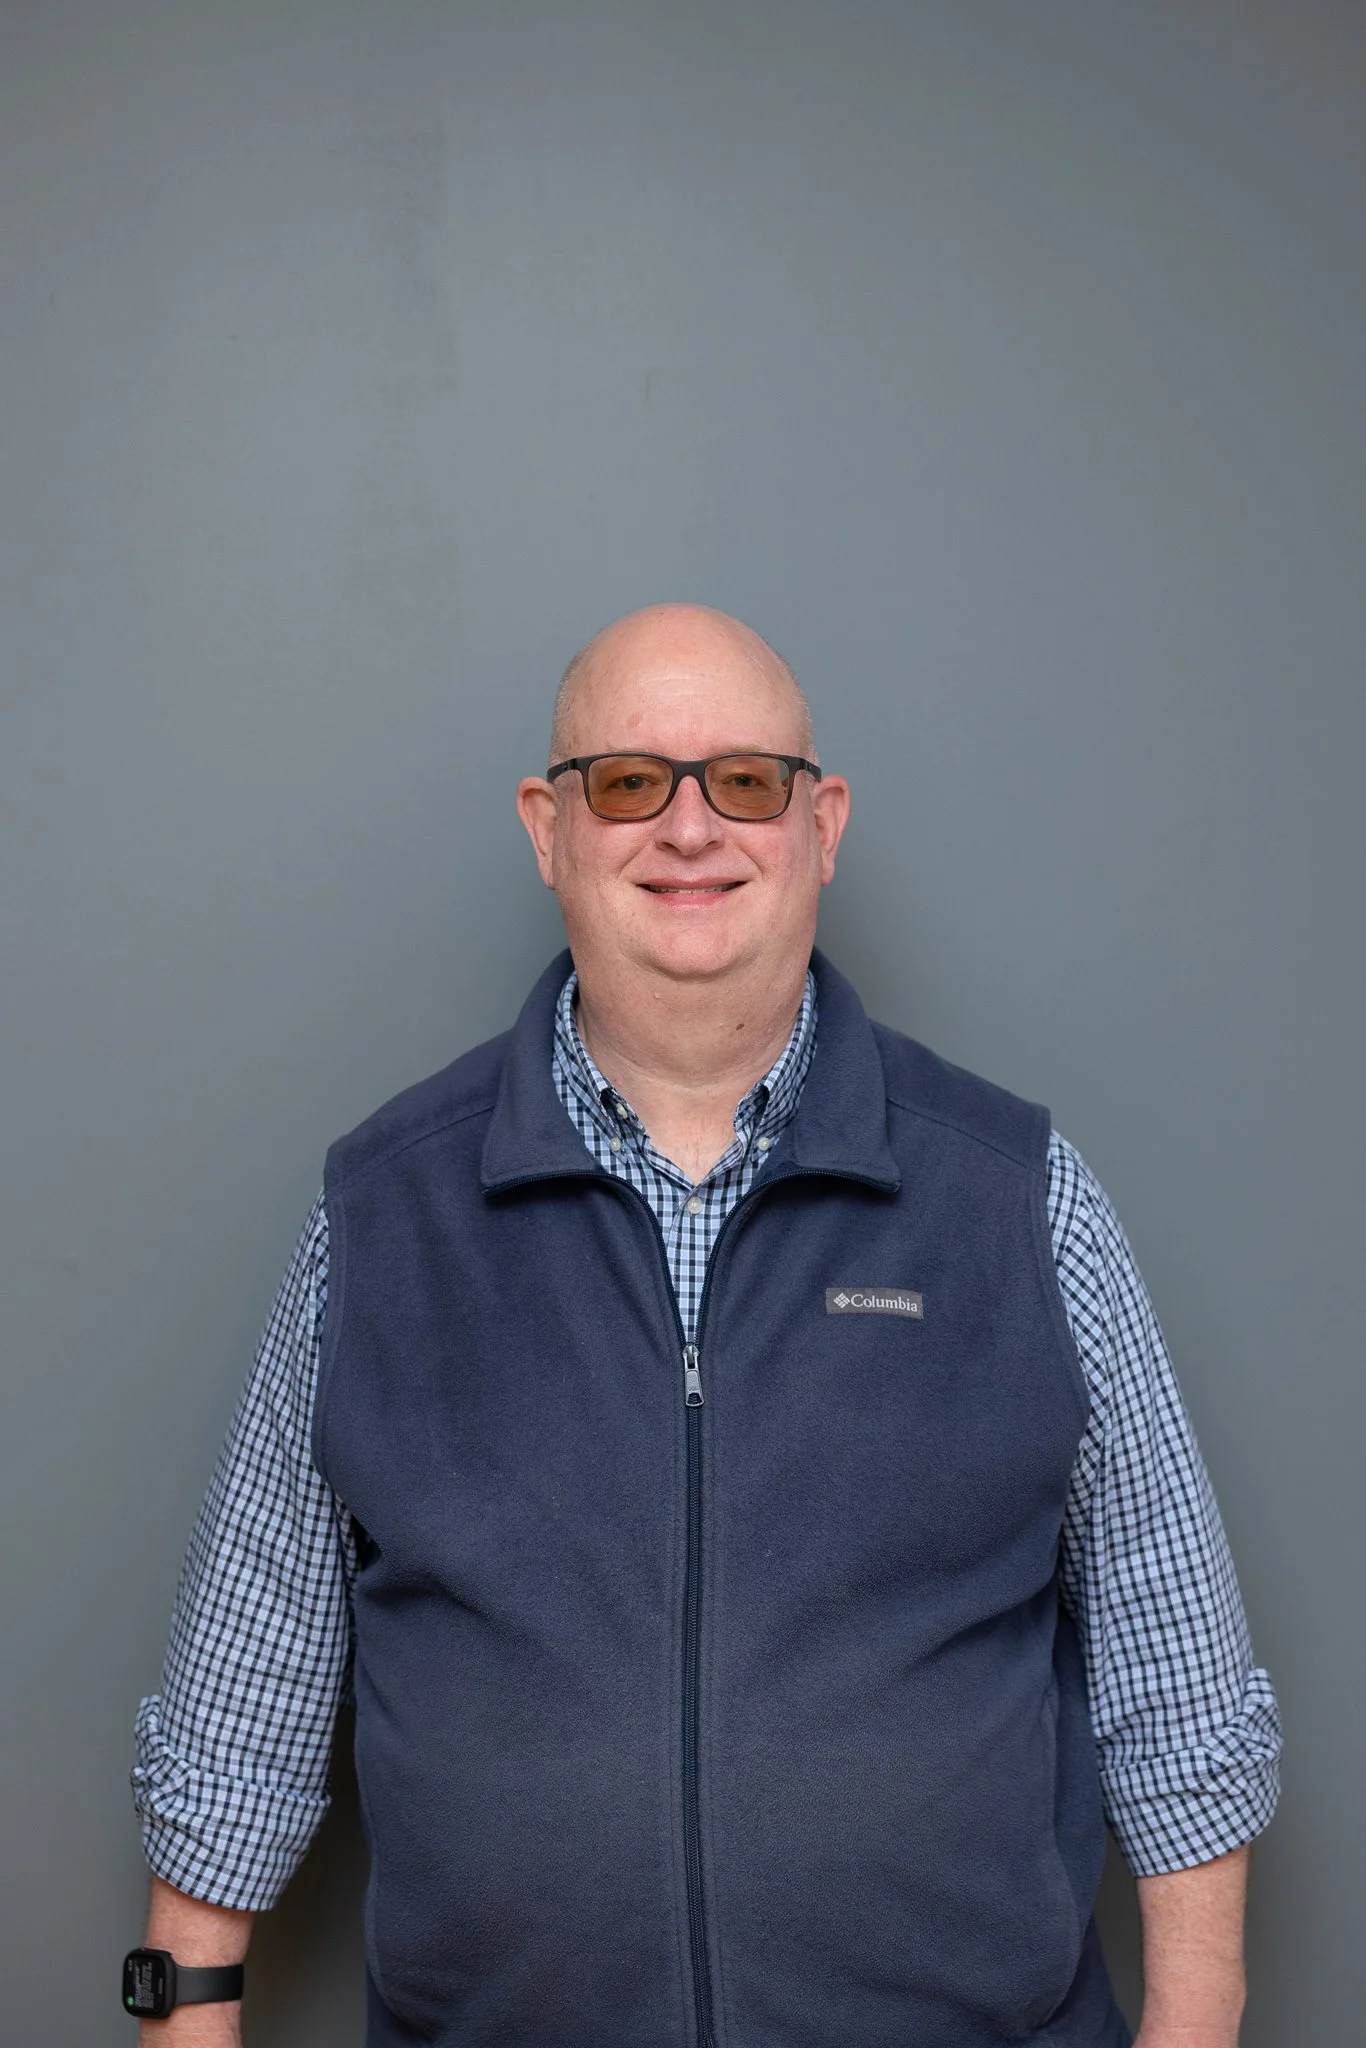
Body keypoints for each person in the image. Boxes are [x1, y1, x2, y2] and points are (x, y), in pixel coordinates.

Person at [127, 604, 1280, 2047]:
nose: (689, 830)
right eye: (628, 783)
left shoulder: (1019, 1203)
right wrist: (181, 2007)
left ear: (821, 823)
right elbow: (244, 1712)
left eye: (743, 781)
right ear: (547, 827)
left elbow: (1179, 1694)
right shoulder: (378, 1220)